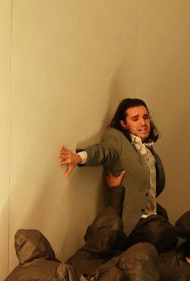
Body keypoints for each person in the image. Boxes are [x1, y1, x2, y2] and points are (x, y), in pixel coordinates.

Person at [59, 98, 166, 234]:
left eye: (145, 117)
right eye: (135, 119)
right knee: (164, 231)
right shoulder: (117, 139)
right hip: (134, 222)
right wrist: (79, 158)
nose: (143, 123)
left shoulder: (148, 149)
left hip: (154, 216)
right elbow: (103, 151)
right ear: (123, 124)